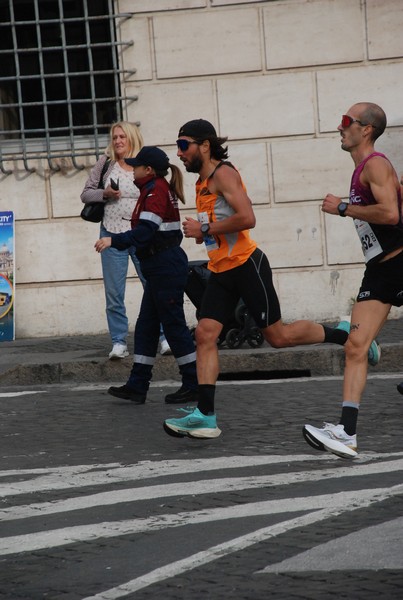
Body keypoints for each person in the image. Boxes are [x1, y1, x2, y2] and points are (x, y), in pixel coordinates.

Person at [163, 119, 380, 440]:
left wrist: (205, 229)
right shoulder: (202, 182)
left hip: (247, 266)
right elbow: (224, 222)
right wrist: (206, 231)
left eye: (183, 145)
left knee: (279, 337)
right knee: (205, 335)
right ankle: (205, 416)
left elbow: (247, 217)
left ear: (204, 145)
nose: (179, 153)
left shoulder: (224, 174)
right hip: (221, 269)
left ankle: (345, 334)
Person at [303, 102, 403, 458]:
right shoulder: (364, 167)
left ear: (367, 129)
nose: (340, 126)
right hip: (380, 269)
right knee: (356, 346)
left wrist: (344, 208)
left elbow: (390, 214)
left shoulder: (375, 164)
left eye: (347, 121)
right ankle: (346, 433)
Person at [94, 146, 198, 405]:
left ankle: (193, 382)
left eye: (137, 166)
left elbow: (146, 232)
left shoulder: (155, 191)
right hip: (158, 265)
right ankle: (137, 385)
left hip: (164, 265)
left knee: (173, 326)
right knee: (146, 327)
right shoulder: (151, 188)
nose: (133, 170)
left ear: (148, 170)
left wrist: (113, 240)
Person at [81, 122, 170, 359]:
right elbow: (86, 193)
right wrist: (105, 194)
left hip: (141, 235)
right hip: (111, 233)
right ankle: (119, 342)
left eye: (122, 137)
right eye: (115, 137)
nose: (118, 141)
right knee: (114, 293)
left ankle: (164, 337)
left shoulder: (143, 163)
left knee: (153, 286)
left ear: (132, 138)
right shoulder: (106, 163)